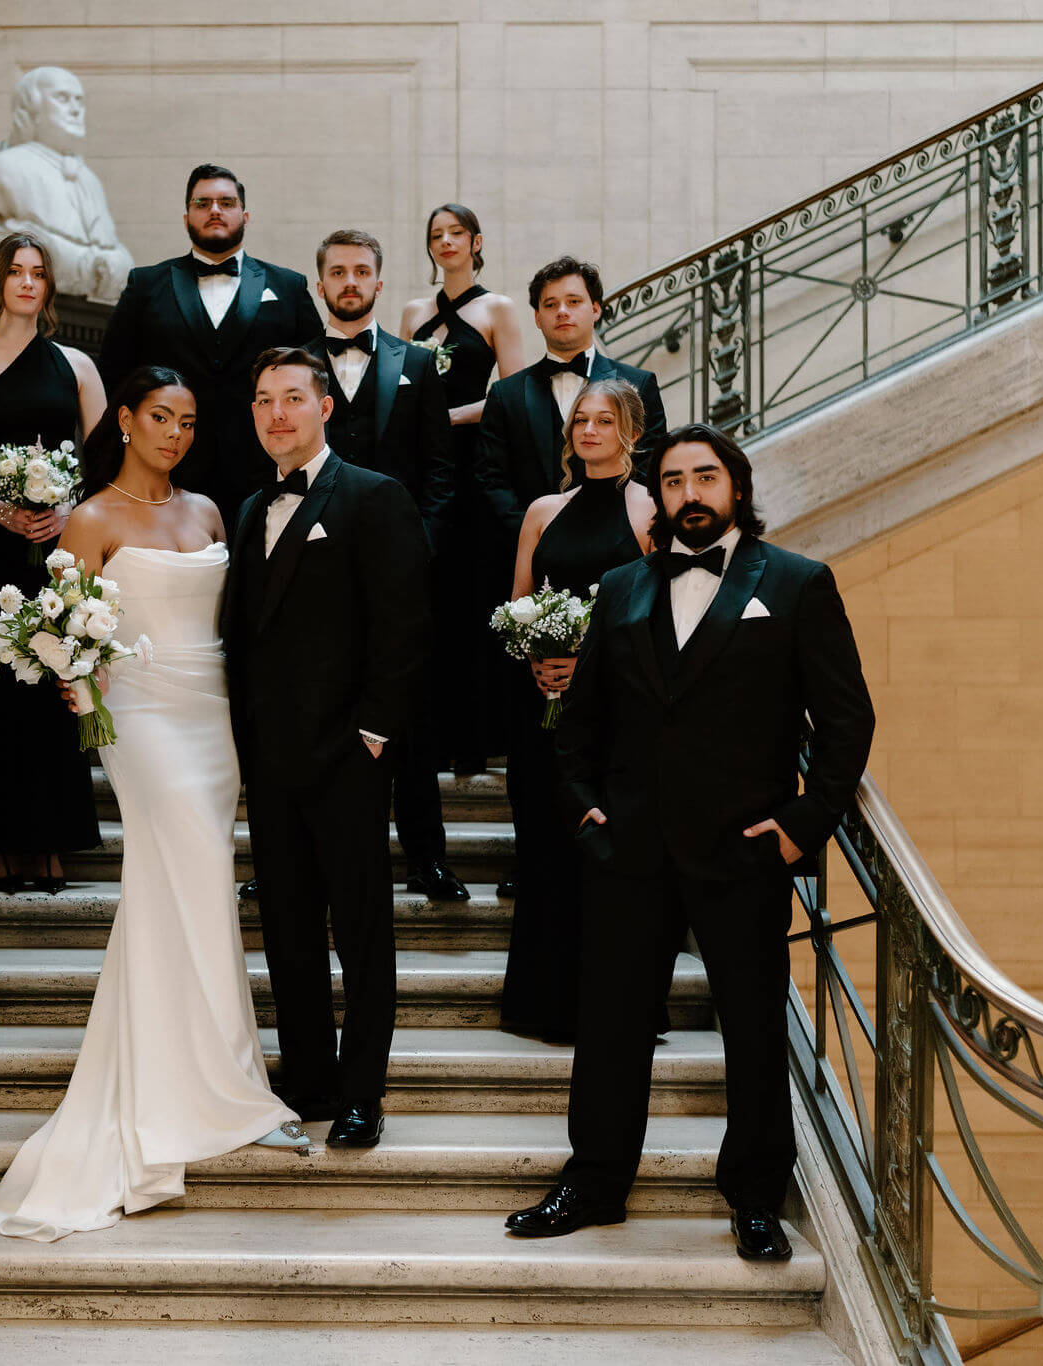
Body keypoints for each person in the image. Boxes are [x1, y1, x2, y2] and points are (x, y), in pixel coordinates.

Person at [505, 424, 875, 1263]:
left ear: (735, 488)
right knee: (610, 1026)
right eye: (673, 481)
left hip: (743, 849)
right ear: (659, 495)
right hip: (627, 849)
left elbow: (847, 721)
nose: (689, 494)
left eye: (705, 477)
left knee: (751, 1027)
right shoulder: (621, 586)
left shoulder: (796, 583)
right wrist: (586, 813)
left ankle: (754, 1198)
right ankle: (594, 1181)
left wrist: (799, 828)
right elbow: (580, 727)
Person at [0, 366, 303, 1242]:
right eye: (159, 416)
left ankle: (212, 1074)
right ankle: (215, 1087)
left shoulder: (207, 512)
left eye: (189, 420)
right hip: (145, 718)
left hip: (215, 716)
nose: (174, 432)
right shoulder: (89, 518)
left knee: (190, 888)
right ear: (124, 419)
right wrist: (82, 691)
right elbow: (51, 630)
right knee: (187, 870)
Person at [223, 347, 432, 1150]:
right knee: (287, 929)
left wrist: (373, 737)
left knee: (361, 932)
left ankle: (360, 1093)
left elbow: (405, 628)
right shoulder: (248, 509)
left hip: (348, 756)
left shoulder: (375, 498)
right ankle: (305, 1077)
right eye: (265, 400)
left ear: (324, 407)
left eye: (293, 398)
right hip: (270, 762)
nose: (278, 413)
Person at [0, 231, 106, 893]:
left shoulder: (76, 366)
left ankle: (50, 843)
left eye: (38, 273)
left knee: (51, 682)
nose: (28, 282)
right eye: (16, 271)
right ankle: (1, 846)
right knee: (0, 690)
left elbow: (104, 462)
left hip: (58, 551)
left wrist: (70, 511)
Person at [497, 380, 658, 1042]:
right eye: (580, 420)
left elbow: (662, 619)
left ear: (632, 431)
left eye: (604, 420)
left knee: (604, 858)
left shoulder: (652, 510)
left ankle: (614, 1007)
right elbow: (515, 606)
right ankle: (541, 1003)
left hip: (616, 719)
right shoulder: (541, 511)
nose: (588, 430)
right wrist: (536, 653)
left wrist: (586, 656)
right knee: (544, 848)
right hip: (543, 709)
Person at [310, 228, 462, 903]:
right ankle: (305, 856)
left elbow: (439, 472)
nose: (349, 281)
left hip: (401, 577)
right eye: (337, 271)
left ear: (379, 282)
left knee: (414, 720)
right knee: (313, 715)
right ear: (320, 285)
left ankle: (426, 858)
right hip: (313, 572)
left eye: (361, 271)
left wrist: (419, 551)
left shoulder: (418, 365)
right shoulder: (293, 366)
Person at [97, 164, 323, 527]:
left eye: (226, 202)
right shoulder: (146, 285)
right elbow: (115, 373)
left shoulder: (289, 286)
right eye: (203, 203)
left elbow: (315, 377)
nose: (214, 210)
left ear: (244, 215)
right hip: (169, 469)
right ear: (187, 216)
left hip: (266, 468)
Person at [398, 204, 526, 786]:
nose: (445, 242)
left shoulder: (497, 308)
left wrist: (445, 416)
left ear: (476, 242)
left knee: (475, 595)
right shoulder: (411, 312)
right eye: (435, 235)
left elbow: (514, 391)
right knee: (432, 597)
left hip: (473, 464)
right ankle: (434, 735)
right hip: (423, 468)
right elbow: (395, 390)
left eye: (456, 233)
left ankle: (478, 738)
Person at [473, 255, 669, 537]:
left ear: (596, 309)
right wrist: (532, 533)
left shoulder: (640, 383)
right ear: (538, 318)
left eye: (573, 301)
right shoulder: (506, 394)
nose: (562, 311)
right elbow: (491, 479)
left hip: (619, 543)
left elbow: (649, 467)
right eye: (550, 305)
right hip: (531, 547)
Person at [0, 66, 133, 302]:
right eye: (62, 98)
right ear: (32, 108)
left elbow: (119, 261)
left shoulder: (89, 179)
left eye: (79, 100)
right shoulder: (9, 166)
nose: (75, 109)